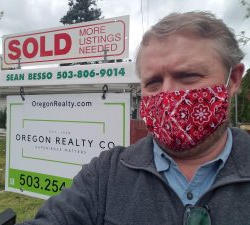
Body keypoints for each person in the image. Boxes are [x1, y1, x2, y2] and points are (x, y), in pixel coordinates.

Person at [19, 11, 250, 225]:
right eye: (153, 82)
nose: (167, 94)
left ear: (234, 80)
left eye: (188, 76)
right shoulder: (106, 174)